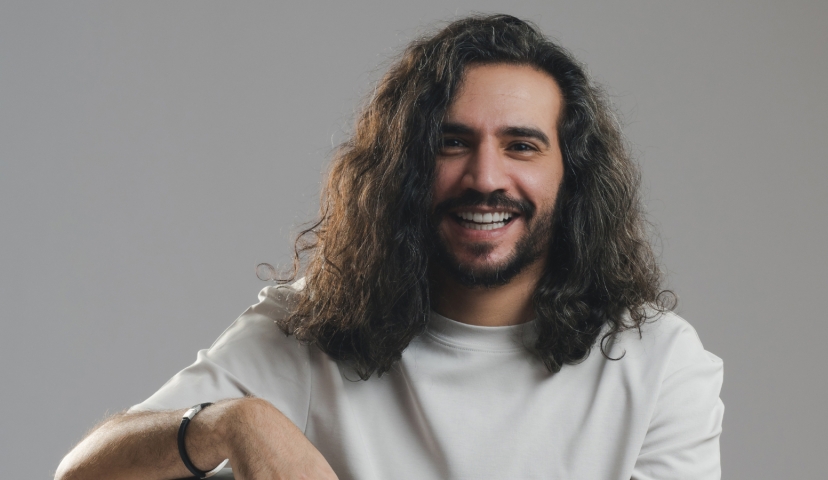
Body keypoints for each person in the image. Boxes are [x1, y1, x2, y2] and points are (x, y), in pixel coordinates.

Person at [56, 14, 724, 480]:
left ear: (570, 174)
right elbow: (82, 472)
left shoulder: (660, 364)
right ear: (405, 167)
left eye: (521, 145)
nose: (485, 177)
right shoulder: (310, 329)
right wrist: (230, 423)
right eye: (451, 143)